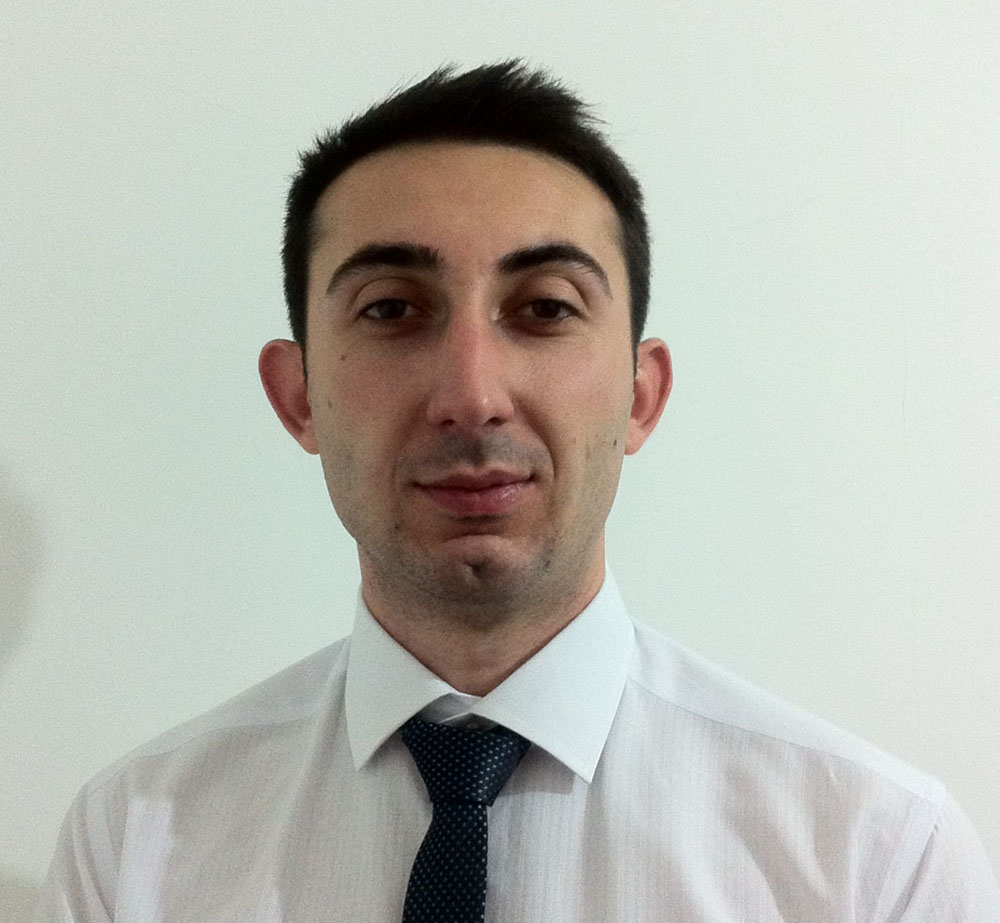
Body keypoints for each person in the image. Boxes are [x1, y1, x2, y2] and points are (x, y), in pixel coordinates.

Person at [39, 61, 999, 922]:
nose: (472, 395)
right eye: (392, 309)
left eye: (544, 308)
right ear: (298, 397)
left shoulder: (876, 860)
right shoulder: (136, 847)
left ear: (641, 394)